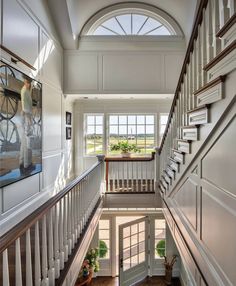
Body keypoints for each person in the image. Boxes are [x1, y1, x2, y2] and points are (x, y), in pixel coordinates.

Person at [19, 75, 34, 172]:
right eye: (27, 82)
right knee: (28, 140)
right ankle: (26, 164)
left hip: (26, 115)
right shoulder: (24, 91)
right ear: (24, 81)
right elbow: (24, 106)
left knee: (24, 140)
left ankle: (22, 162)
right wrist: (28, 117)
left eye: (29, 83)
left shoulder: (27, 90)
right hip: (26, 115)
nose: (29, 84)